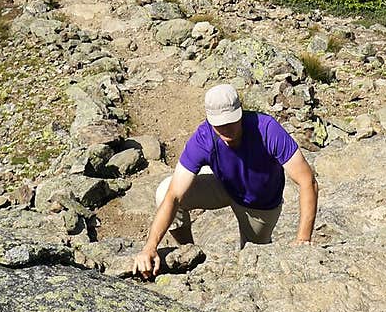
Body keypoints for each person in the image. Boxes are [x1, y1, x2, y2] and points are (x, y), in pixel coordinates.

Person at [133, 83, 318, 279]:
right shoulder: (203, 139)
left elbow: (307, 181)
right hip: (225, 185)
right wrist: (150, 246)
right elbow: (173, 196)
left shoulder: (267, 129)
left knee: (254, 262)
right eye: (219, 124)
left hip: (260, 204)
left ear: (241, 112)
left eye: (231, 121)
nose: (226, 129)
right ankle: (190, 254)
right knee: (163, 191)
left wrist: (303, 238)